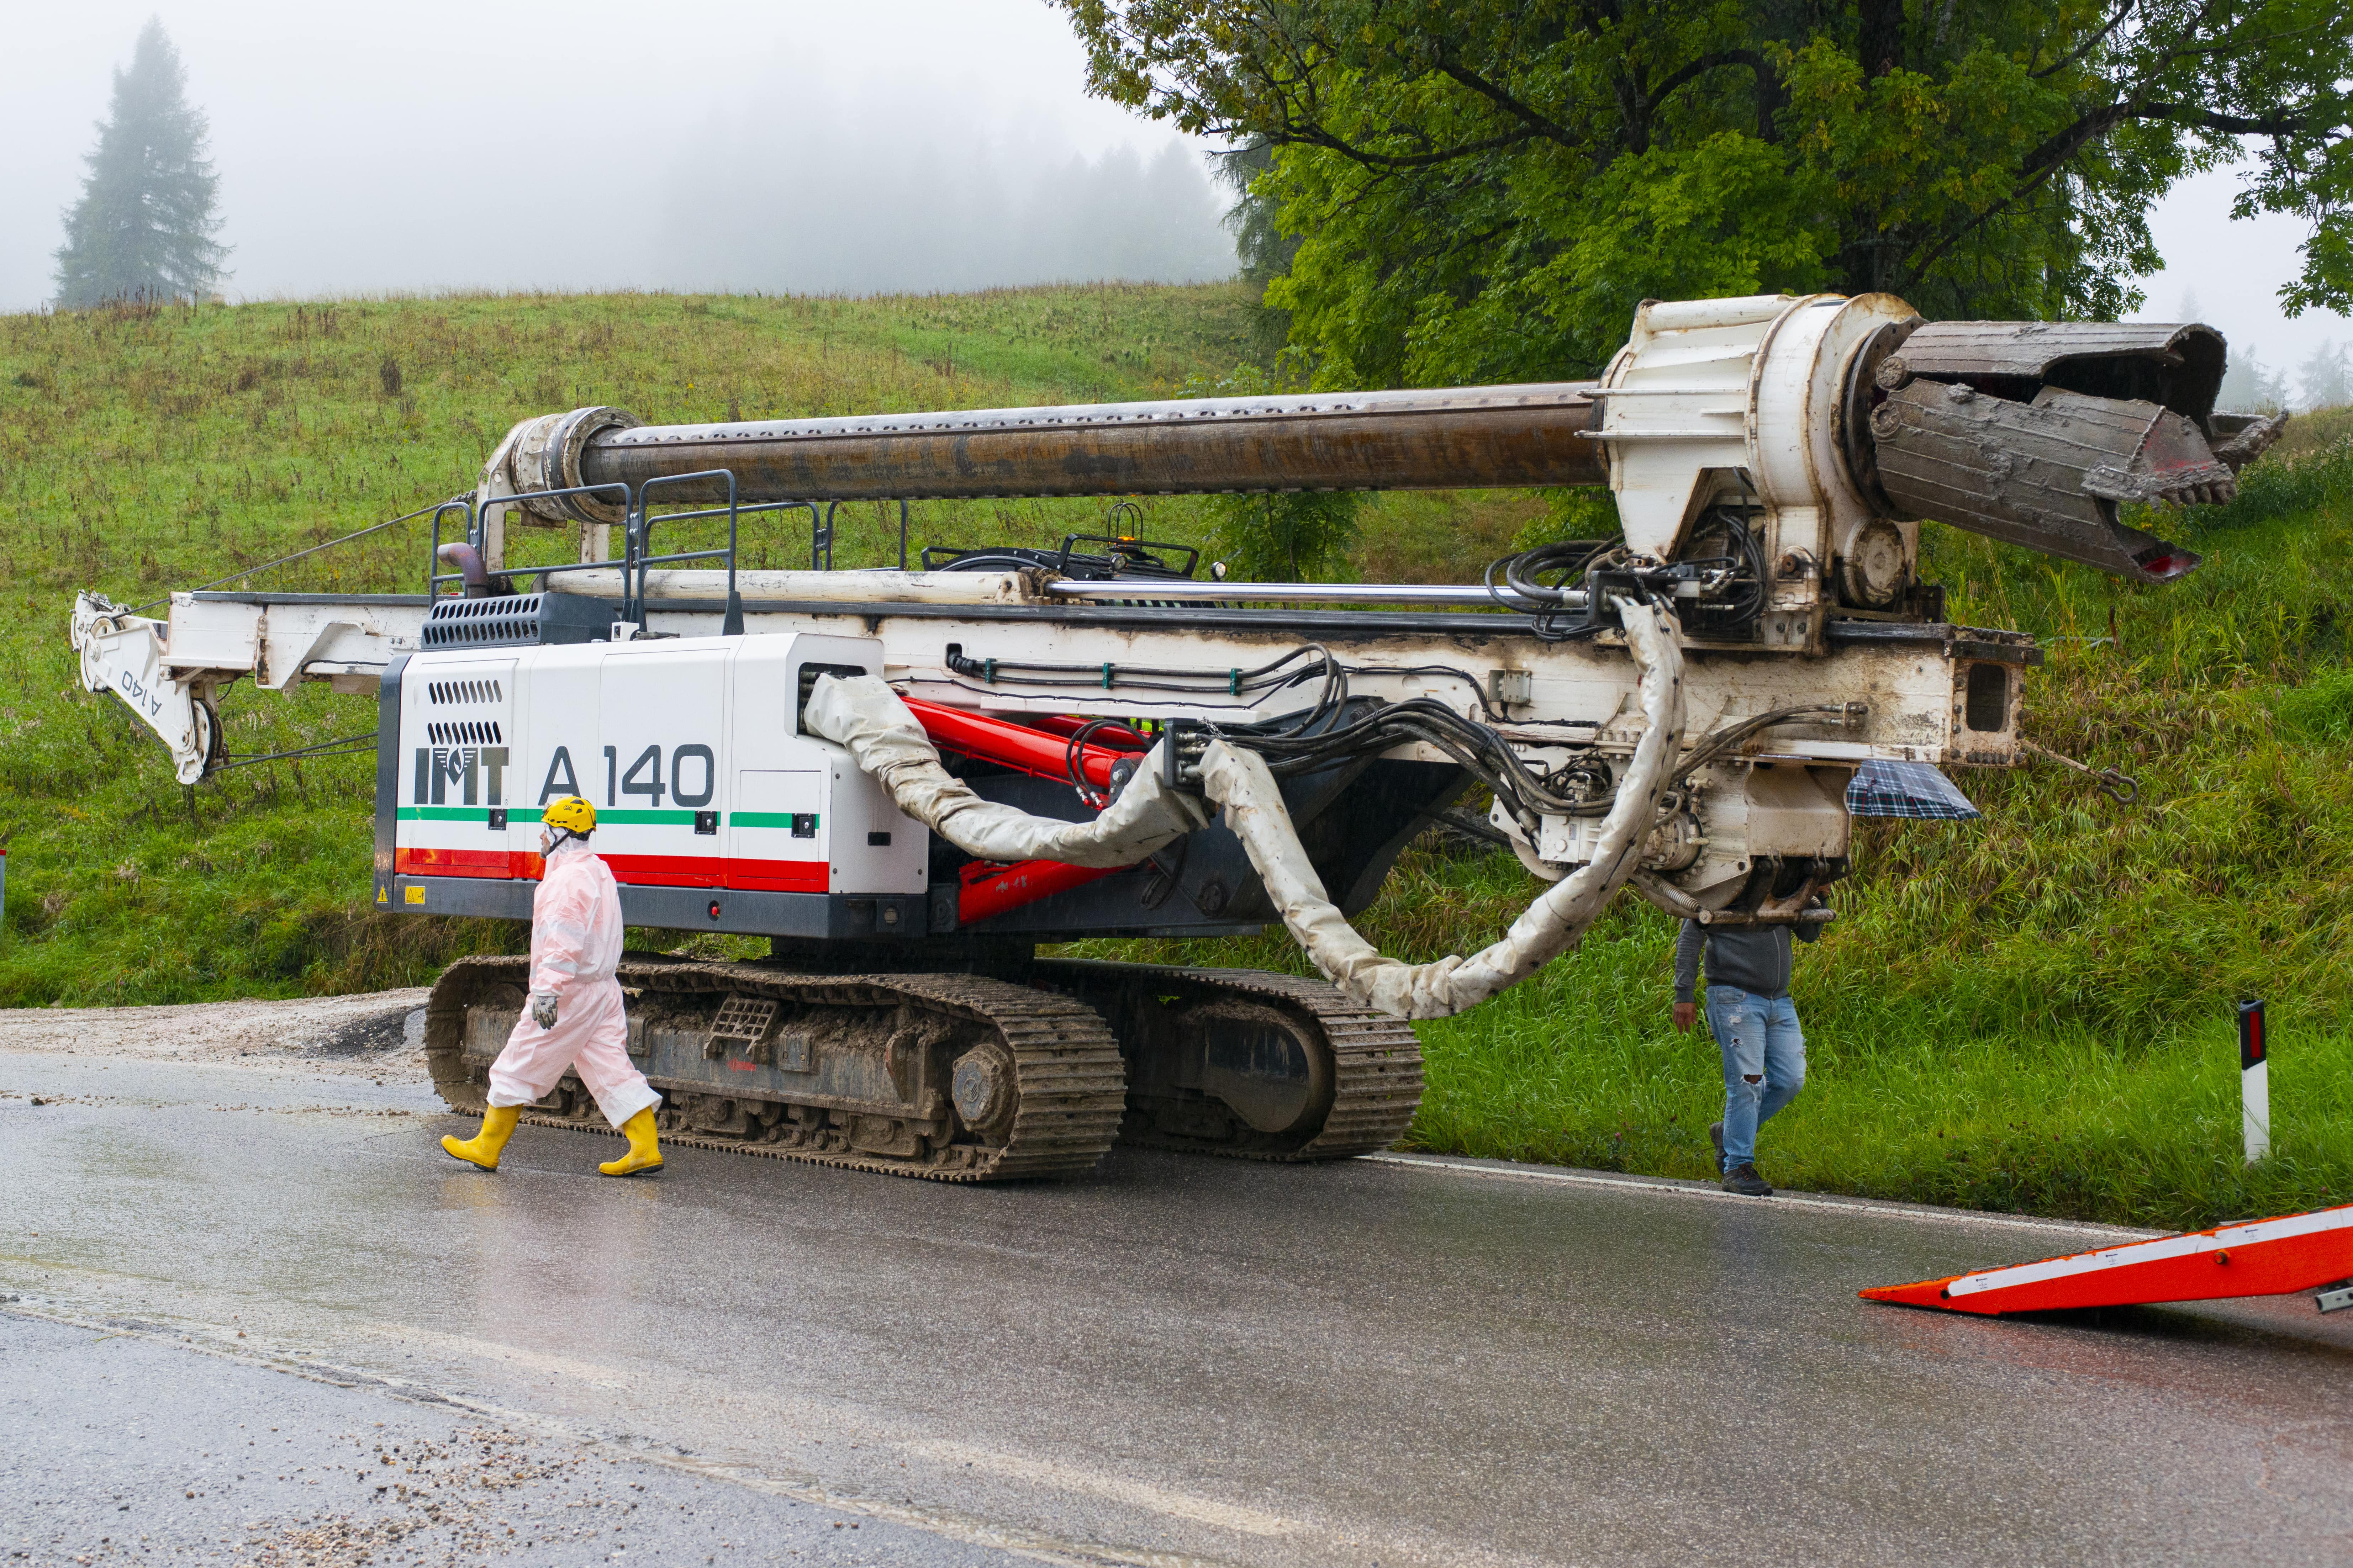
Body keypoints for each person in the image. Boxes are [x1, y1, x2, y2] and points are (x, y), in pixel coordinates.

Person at [441, 796, 664, 1177]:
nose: (541, 837)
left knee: (519, 1061)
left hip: (570, 991)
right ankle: (645, 1147)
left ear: (561, 834)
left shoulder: (567, 882)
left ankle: (487, 1146)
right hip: (602, 989)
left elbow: (563, 941)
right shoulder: (597, 871)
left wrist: (547, 992)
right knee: (611, 1066)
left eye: (546, 829)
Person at [1672, 912, 1820, 1197]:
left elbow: (1810, 934)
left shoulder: (1784, 885)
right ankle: (1737, 1168)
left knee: (1791, 1081)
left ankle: (1727, 1134)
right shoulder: (1726, 884)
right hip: (1734, 998)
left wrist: (1819, 895)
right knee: (1748, 1083)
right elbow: (1690, 937)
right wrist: (1684, 994)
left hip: (1779, 1001)